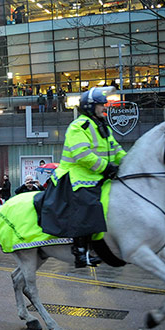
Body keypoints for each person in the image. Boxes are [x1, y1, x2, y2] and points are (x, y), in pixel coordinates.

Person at [46, 86, 127, 268]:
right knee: (87, 204)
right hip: (76, 176)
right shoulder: (78, 126)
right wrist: (106, 168)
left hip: (98, 175)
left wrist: (130, 162)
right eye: (101, 105)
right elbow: (82, 155)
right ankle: (80, 251)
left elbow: (116, 150)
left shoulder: (103, 127)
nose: (104, 108)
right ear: (90, 107)